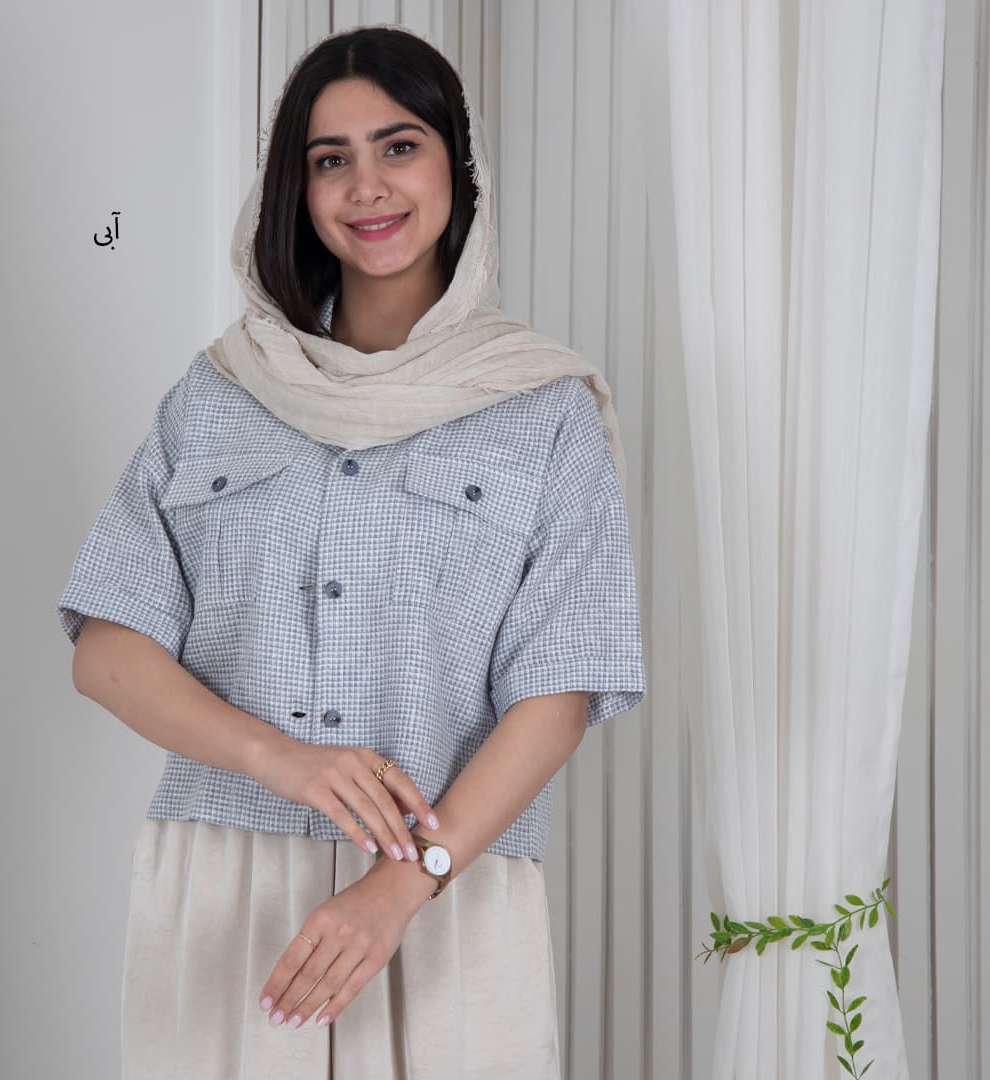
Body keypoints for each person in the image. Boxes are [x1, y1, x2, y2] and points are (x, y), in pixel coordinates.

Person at [56, 23, 645, 1080]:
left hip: (449, 890)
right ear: (299, 190)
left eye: (399, 146)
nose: (367, 186)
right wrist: (282, 759)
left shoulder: (544, 409)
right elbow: (106, 649)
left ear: (458, 167)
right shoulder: (219, 394)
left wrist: (402, 883)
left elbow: (559, 691)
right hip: (225, 888)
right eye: (331, 159)